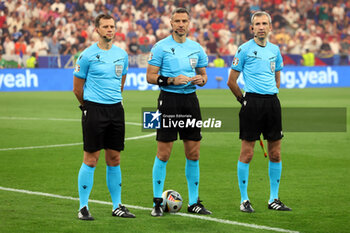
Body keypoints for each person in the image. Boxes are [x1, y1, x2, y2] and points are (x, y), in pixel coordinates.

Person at [146, 7, 212, 217]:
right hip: (169, 101)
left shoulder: (197, 48)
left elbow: (204, 75)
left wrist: (201, 80)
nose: (181, 24)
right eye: (177, 21)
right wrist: (171, 80)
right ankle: (157, 201)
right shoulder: (160, 47)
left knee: (193, 153)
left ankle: (194, 202)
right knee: (164, 153)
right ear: (171, 23)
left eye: (184, 21)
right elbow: (150, 76)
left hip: (191, 101)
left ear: (189, 23)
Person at [227, 11, 292, 213]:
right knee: (247, 153)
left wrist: (273, 91)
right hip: (252, 102)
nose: (261, 27)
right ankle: (244, 199)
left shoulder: (275, 50)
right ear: (252, 28)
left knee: (276, 153)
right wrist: (243, 100)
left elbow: (277, 75)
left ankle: (274, 198)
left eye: (265, 23)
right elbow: (231, 81)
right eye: (258, 24)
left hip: (272, 103)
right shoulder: (244, 49)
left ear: (270, 27)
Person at [73, 14, 135, 220]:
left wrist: (114, 100)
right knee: (91, 159)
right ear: (97, 29)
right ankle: (83, 207)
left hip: (116, 110)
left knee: (115, 158)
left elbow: (121, 81)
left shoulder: (121, 54)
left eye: (112, 26)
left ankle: (117, 205)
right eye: (105, 26)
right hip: (94, 110)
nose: (110, 29)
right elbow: (77, 88)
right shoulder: (87, 55)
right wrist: (87, 106)